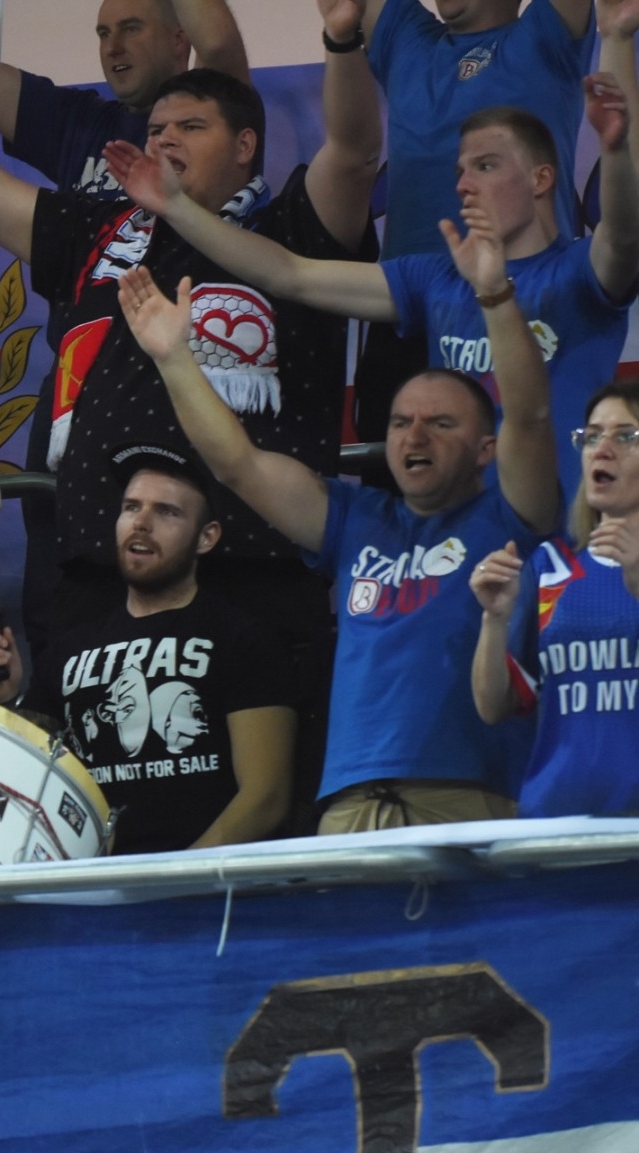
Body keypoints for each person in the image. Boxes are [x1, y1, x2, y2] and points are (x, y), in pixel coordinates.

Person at [0, 14, 377, 668]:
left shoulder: (290, 231)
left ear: (245, 144)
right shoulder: (99, 234)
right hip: (95, 574)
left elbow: (356, 151)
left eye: (191, 127)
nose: (165, 139)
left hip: (248, 571)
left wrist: (342, 41)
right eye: (156, 130)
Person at [116, 186, 558, 831]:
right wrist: (173, 359)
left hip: (468, 798)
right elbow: (237, 464)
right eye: (401, 422)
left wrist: (493, 296)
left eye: (441, 423)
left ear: (486, 448)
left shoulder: (511, 514)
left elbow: (531, 413)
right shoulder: (356, 518)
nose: (414, 436)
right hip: (349, 806)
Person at [105, 18, 639, 501]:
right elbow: (289, 273)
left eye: (485, 165)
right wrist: (176, 206)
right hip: (465, 546)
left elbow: (621, 230)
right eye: (460, 169)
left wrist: (616, 87)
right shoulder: (435, 279)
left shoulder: (579, 273)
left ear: (541, 178)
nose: (462, 184)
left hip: (568, 542)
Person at [0, 444, 294, 853]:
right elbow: (28, 785)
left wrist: (177, 876)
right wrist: (7, 700)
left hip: (201, 880)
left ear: (206, 537)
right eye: (131, 507)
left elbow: (266, 799)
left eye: (167, 512)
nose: (141, 523)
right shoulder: (68, 649)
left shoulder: (239, 638)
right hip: (92, 876)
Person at [347, 0, 596, 449]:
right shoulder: (406, 38)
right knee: (396, 479)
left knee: (525, 473)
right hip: (406, 311)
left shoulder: (545, 36)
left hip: (520, 306)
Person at [470, 382, 639, 817]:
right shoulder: (551, 565)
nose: (602, 450)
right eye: (592, 437)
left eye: (626, 436)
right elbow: (493, 706)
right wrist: (494, 620)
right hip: (556, 820)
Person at [0, 0, 249, 197]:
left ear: (178, 40)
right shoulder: (77, 122)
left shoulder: (215, 113)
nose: (113, 47)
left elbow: (218, 44)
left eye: (131, 28)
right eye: (103, 33)